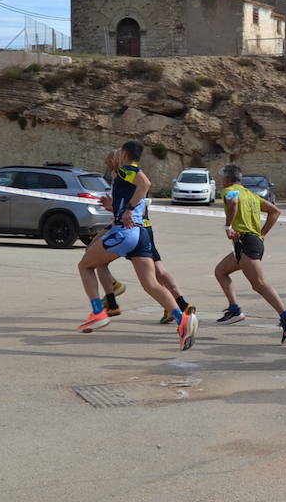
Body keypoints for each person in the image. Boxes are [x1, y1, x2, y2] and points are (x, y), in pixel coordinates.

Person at [75, 140, 197, 349]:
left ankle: (98, 312)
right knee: (151, 284)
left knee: (85, 265)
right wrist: (114, 206)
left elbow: (145, 184)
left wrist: (128, 209)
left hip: (125, 233)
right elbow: (132, 197)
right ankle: (181, 319)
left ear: (123, 154)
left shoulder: (126, 170)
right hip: (141, 234)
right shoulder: (124, 176)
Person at [212, 164, 286, 342]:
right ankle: (234, 310)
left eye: (222, 177)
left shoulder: (230, 191)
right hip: (247, 243)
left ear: (227, 178)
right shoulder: (250, 195)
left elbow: (233, 202)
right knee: (220, 271)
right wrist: (262, 234)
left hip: (247, 243)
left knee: (259, 284)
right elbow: (275, 212)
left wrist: (228, 227)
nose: (221, 180)